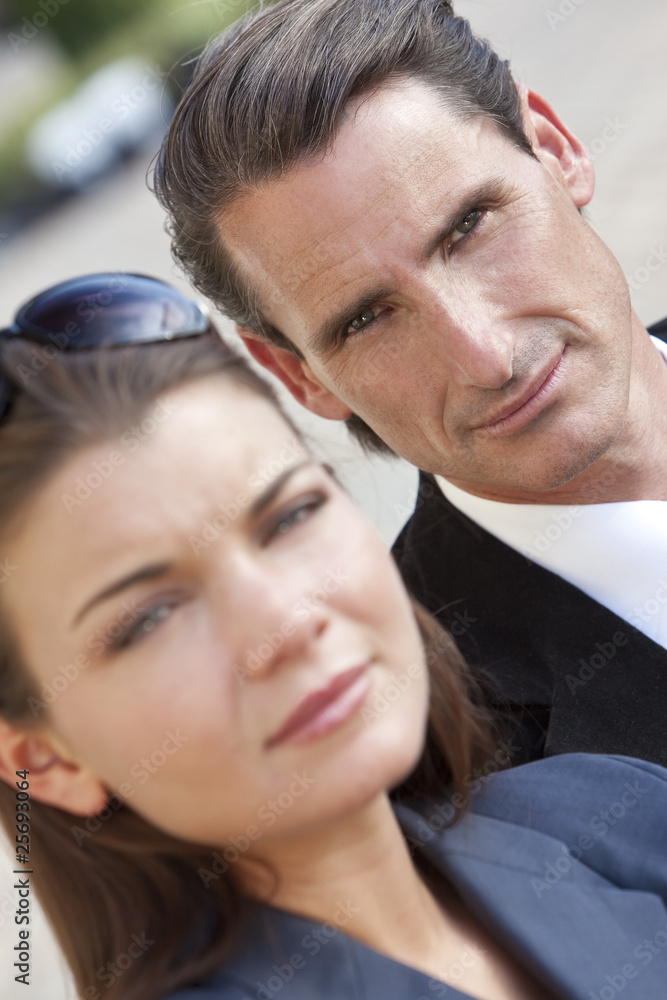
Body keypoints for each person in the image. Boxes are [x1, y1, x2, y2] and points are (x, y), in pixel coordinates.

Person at [0, 274, 666, 1000]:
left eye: (289, 518)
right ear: (42, 756)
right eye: (153, 617)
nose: (285, 623)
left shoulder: (610, 807)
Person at [152, 0, 667, 767]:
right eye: (366, 318)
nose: (486, 357)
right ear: (296, 374)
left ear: (554, 148)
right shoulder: (423, 760)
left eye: (468, 227)